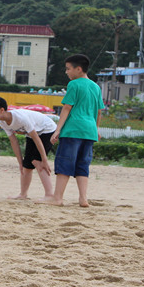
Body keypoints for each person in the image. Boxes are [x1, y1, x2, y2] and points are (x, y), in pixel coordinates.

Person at [39, 54, 104, 207]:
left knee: (64, 163)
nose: (66, 72)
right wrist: (96, 129)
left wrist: (57, 130)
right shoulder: (96, 87)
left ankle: (58, 198)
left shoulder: (74, 84)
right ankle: (83, 198)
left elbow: (67, 108)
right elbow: (99, 111)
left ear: (78, 69)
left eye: (68, 69)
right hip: (89, 131)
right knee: (83, 165)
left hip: (73, 129)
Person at [0, 97, 56, 201]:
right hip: (33, 133)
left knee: (37, 161)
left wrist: (44, 159)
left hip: (47, 129)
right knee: (26, 166)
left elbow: (36, 138)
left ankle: (49, 195)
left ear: (1, 110)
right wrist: (20, 162)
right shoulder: (2, 122)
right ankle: (23, 194)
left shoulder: (20, 118)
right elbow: (14, 141)